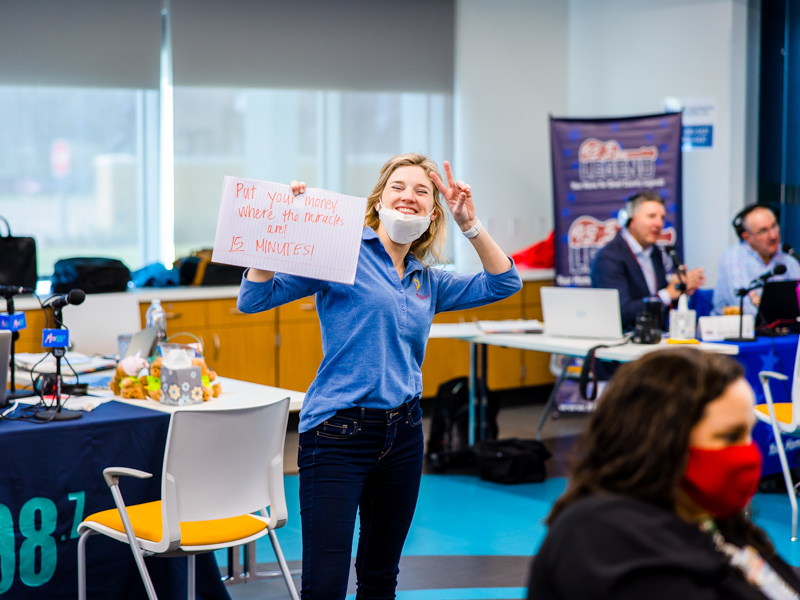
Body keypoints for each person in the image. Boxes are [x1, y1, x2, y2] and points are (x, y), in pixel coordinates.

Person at [237, 153, 522, 599]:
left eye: (422, 192)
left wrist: (470, 223)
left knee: (379, 576)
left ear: (432, 214)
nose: (408, 196)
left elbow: (504, 283)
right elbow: (254, 299)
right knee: (326, 584)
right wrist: (276, 234)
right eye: (398, 187)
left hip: (404, 433)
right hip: (336, 432)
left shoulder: (427, 280)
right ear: (378, 200)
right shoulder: (338, 254)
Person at [527, 347, 800, 600]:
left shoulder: (710, 518)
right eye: (729, 436)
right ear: (660, 439)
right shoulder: (601, 537)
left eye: (748, 433)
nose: (748, 452)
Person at [590, 191, 705, 330]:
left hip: (655, 338)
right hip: (625, 344)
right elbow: (620, 313)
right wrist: (667, 294)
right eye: (651, 216)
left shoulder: (654, 252)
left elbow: (657, 300)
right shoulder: (609, 258)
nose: (659, 223)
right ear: (630, 220)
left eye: (662, 217)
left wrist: (680, 290)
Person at [712, 204, 800, 315]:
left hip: (782, 330)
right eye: (763, 231)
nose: (773, 236)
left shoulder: (788, 259)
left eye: (774, 226)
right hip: (736, 330)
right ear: (746, 237)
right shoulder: (733, 259)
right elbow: (744, 309)